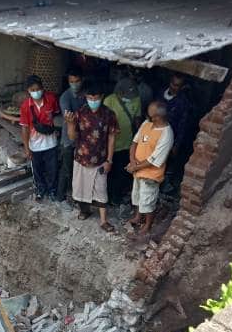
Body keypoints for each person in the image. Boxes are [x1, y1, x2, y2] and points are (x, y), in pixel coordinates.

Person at [65, 79, 119, 232]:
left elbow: (112, 137)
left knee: (101, 189)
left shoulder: (109, 114)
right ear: (85, 97)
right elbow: (72, 137)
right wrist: (70, 124)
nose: (93, 101)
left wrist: (109, 159)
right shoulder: (80, 113)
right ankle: (85, 210)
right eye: (90, 98)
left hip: (100, 159)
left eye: (96, 99)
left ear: (102, 97)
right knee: (80, 187)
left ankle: (103, 220)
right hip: (82, 158)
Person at [126, 101, 174, 234]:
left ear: (157, 117)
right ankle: (137, 217)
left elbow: (155, 160)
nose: (147, 115)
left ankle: (147, 225)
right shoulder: (146, 123)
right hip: (137, 169)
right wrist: (133, 161)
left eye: (150, 113)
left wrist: (135, 167)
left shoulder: (167, 134)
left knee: (148, 200)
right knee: (137, 195)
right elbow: (135, 142)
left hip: (151, 174)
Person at [19, 75, 59, 201]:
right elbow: (24, 128)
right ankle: (40, 190)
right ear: (28, 91)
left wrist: (56, 129)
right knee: (37, 171)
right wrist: (26, 148)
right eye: (33, 90)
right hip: (35, 145)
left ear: (42, 88)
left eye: (38, 89)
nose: (36, 92)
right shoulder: (26, 106)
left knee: (52, 169)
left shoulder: (51, 99)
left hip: (51, 143)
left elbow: (58, 116)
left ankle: (52, 190)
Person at [104, 77, 142, 205]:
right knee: (109, 172)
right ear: (119, 92)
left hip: (127, 144)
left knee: (121, 172)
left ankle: (116, 197)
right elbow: (103, 120)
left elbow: (137, 119)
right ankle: (106, 197)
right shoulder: (110, 100)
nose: (130, 97)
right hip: (110, 145)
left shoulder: (136, 99)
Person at [56, 67, 85, 203]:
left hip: (82, 139)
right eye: (72, 81)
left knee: (77, 169)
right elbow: (70, 118)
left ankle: (74, 196)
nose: (75, 84)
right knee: (67, 169)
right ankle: (62, 196)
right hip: (68, 139)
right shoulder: (65, 97)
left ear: (82, 80)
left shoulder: (84, 95)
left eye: (77, 81)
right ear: (68, 82)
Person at [157, 73, 190, 193]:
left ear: (181, 87)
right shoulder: (160, 94)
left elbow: (182, 126)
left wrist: (176, 145)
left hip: (169, 139)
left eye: (177, 85)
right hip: (154, 135)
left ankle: (161, 186)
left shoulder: (183, 103)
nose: (174, 87)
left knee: (164, 163)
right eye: (172, 83)